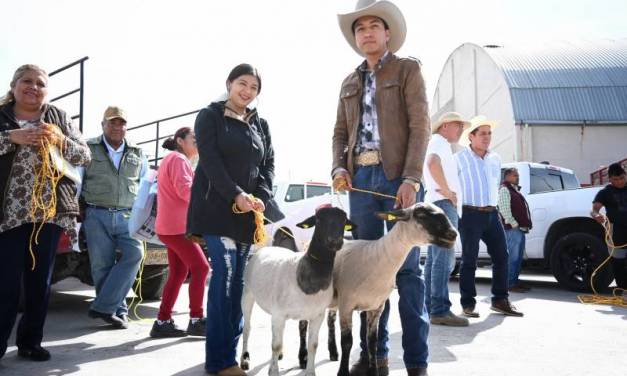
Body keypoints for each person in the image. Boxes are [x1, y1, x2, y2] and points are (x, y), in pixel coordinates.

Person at [332, 1, 431, 374]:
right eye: (360, 28)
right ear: (356, 36)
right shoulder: (349, 81)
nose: (367, 32)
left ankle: (417, 361)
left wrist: (411, 178)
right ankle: (374, 354)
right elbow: (339, 134)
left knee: (406, 272)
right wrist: (339, 167)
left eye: (375, 25)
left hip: (397, 180)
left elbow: (421, 127)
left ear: (387, 32)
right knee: (365, 272)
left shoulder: (407, 70)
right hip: (360, 184)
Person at [0, 64, 90, 361]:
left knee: (40, 283)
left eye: (40, 83)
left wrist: (59, 139)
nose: (33, 87)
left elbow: (85, 156)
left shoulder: (59, 118)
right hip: (7, 216)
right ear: (13, 86)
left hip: (49, 215)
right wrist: (10, 138)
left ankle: (30, 342)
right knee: (6, 284)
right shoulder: (2, 117)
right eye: (27, 81)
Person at [188, 63, 274, 376]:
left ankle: (228, 355)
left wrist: (260, 194)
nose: (247, 91)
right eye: (242, 83)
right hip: (216, 210)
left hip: (247, 215)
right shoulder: (209, 115)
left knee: (238, 286)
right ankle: (219, 362)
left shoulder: (261, 124)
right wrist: (236, 194)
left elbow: (269, 164)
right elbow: (209, 162)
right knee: (223, 278)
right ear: (229, 83)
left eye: (254, 87)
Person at [81, 106, 147, 329]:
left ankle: (103, 307)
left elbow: (146, 184)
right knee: (101, 265)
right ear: (103, 125)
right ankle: (117, 311)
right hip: (96, 213)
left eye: (122, 123)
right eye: (112, 122)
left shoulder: (138, 152)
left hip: (128, 215)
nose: (117, 127)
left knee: (135, 255)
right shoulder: (88, 148)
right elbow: (78, 180)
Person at [455, 116, 523, 318]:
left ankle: (500, 300)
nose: (487, 137)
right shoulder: (459, 159)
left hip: (492, 214)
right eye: (482, 133)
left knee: (502, 256)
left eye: (489, 133)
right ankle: (468, 304)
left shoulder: (495, 159)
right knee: (469, 260)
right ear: (471, 136)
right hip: (469, 214)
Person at [150, 127, 210, 338]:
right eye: (194, 138)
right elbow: (186, 191)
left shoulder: (170, 159)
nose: (198, 141)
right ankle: (196, 319)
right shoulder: (178, 159)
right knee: (201, 268)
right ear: (180, 141)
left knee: (178, 273)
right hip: (178, 228)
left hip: (170, 227)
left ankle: (162, 321)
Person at [423, 112, 469, 327]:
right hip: (442, 203)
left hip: (436, 203)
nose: (461, 129)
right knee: (443, 259)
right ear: (444, 127)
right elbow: (433, 163)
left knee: (434, 258)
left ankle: (430, 308)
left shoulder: (437, 142)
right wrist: (448, 191)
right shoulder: (440, 142)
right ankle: (440, 310)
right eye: (457, 125)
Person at [591, 162, 627, 290]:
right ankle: (623, 289)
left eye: (622, 178)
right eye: (615, 179)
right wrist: (596, 215)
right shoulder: (605, 192)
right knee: (618, 261)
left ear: (625, 175)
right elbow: (594, 209)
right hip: (616, 230)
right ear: (610, 179)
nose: (619, 182)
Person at [498, 167, 533, 293]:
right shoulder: (504, 189)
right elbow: (503, 209)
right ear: (507, 176)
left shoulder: (514, 190)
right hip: (512, 230)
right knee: (512, 257)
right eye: (514, 175)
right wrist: (514, 224)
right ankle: (509, 284)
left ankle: (514, 281)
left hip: (518, 229)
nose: (517, 177)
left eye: (517, 175)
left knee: (517, 258)